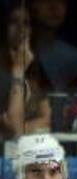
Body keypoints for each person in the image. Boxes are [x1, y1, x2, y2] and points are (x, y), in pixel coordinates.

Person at [2, 3, 52, 139]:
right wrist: (18, 70)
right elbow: (14, 128)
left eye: (26, 23)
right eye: (14, 22)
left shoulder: (32, 68)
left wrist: (22, 127)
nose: (21, 28)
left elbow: (49, 118)